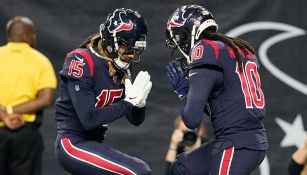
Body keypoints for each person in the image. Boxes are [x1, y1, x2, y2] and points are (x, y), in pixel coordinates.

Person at [165, 5, 268, 175]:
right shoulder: (235, 49)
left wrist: (183, 93)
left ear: (189, 33)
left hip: (237, 143)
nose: (181, 46)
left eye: (180, 38)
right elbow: (225, 105)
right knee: (182, 169)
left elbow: (191, 120)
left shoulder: (204, 49)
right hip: (245, 140)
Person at [54, 8, 152, 175]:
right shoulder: (81, 60)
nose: (131, 56)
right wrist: (129, 103)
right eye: (127, 49)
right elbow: (89, 119)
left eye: (135, 50)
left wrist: (139, 104)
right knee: (138, 171)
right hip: (72, 143)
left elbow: (135, 120)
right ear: (111, 42)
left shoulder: (119, 68)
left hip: (95, 143)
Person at [0, 16, 57, 175]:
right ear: (27, 35)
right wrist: (11, 112)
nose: (35, 37)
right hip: (25, 134)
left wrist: (4, 115)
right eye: (34, 34)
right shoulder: (41, 61)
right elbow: (45, 99)